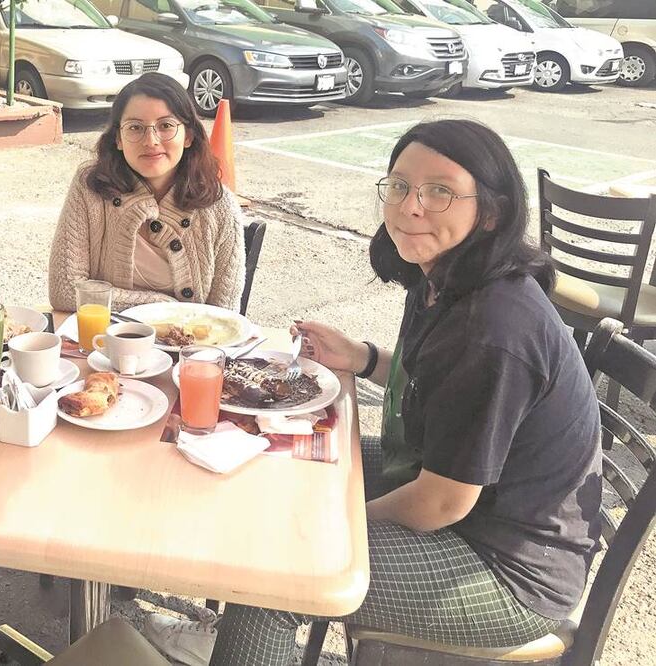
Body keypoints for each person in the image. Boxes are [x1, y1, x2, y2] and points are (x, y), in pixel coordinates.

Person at [146, 120, 604, 666]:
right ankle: (239, 644)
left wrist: (335, 517)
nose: (411, 206)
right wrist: (362, 358)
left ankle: (248, 633)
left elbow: (442, 502)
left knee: (276, 570)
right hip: (446, 490)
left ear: (491, 212)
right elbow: (441, 390)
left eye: (440, 191)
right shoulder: (442, 277)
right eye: (399, 185)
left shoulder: (497, 328)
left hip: (507, 572)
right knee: (276, 459)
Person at [48, 73, 245, 313]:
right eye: (135, 127)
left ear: (189, 136)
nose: (150, 140)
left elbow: (225, 317)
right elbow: (65, 290)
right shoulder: (90, 186)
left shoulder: (220, 207)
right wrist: (160, 305)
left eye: (165, 126)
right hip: (106, 344)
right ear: (118, 139)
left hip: (190, 349)